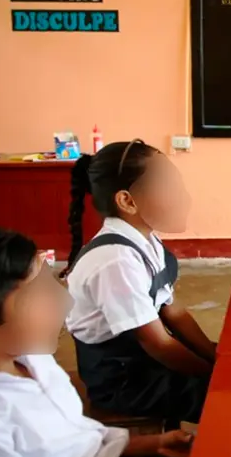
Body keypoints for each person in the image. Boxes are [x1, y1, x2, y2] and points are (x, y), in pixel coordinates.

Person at [0, 227, 193, 457]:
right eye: (39, 293)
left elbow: (66, 440)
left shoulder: (28, 356)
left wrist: (149, 445)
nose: (66, 301)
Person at [63, 140, 214, 424]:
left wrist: (214, 354)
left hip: (146, 361)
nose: (184, 198)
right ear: (127, 201)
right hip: (123, 382)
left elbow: (174, 311)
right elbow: (159, 345)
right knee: (230, 397)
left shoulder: (145, 240)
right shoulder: (115, 260)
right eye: (170, 188)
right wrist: (214, 373)